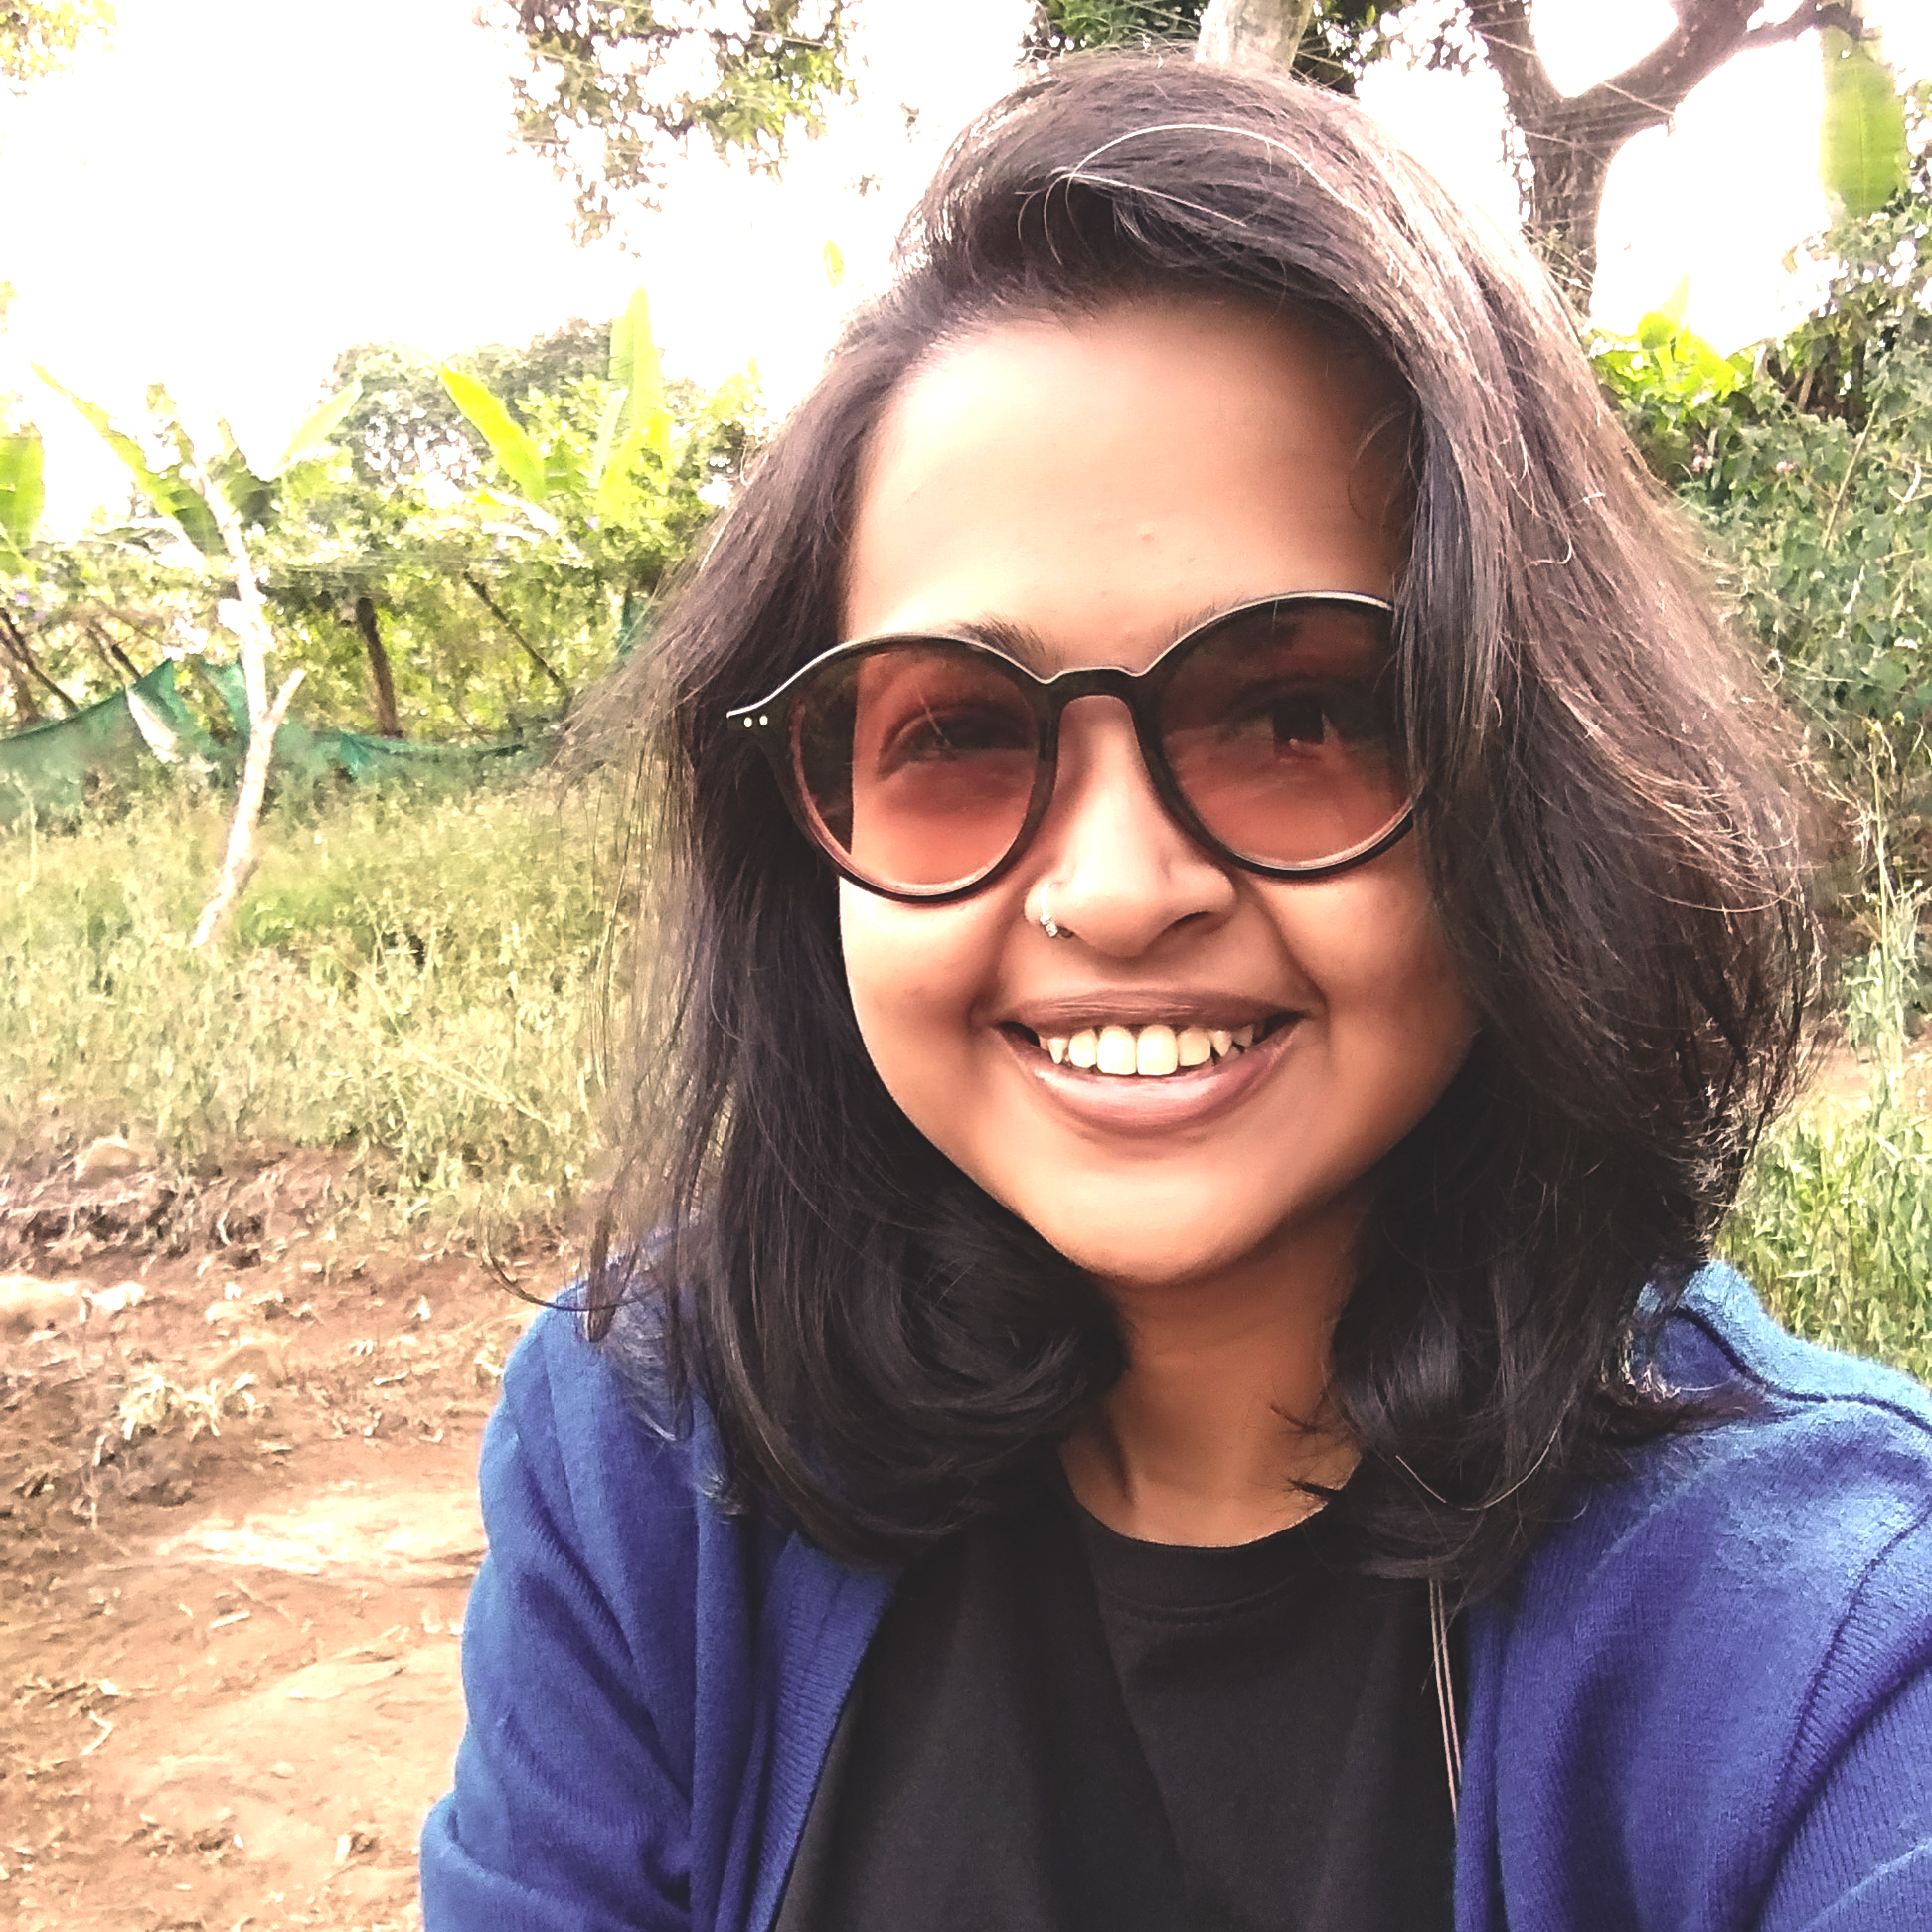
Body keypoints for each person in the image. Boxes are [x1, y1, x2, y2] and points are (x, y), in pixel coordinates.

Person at [419, 51, 1932, 1932]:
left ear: (1527, 775)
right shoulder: (652, 1466)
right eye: (957, 732)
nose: (1119, 890)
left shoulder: (1831, 1659)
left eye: (1297, 713)